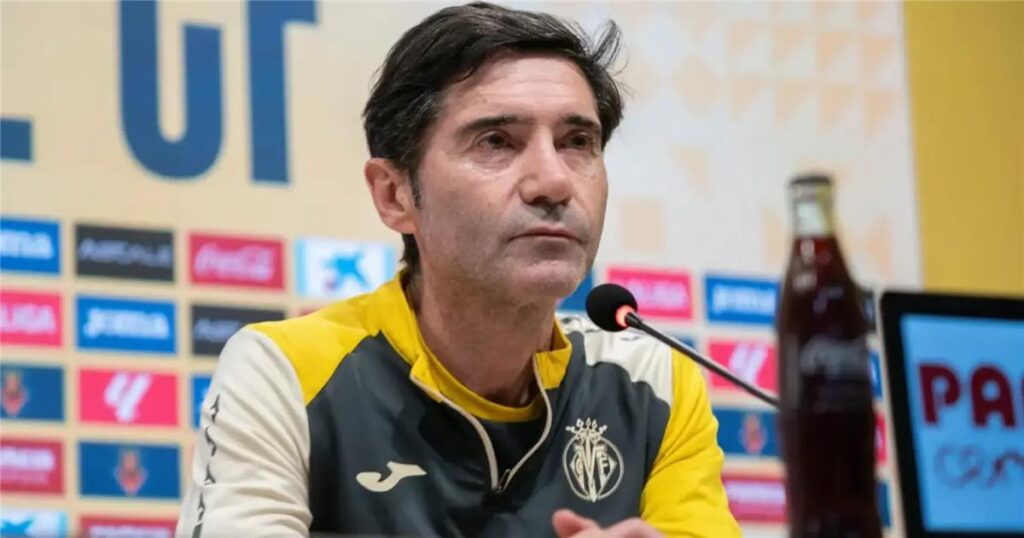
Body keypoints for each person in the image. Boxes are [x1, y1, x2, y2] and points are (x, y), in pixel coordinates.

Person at [176, 3, 740, 537]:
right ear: (395, 194)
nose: (553, 182)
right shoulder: (287, 375)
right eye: (496, 141)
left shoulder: (653, 383)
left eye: (577, 142)